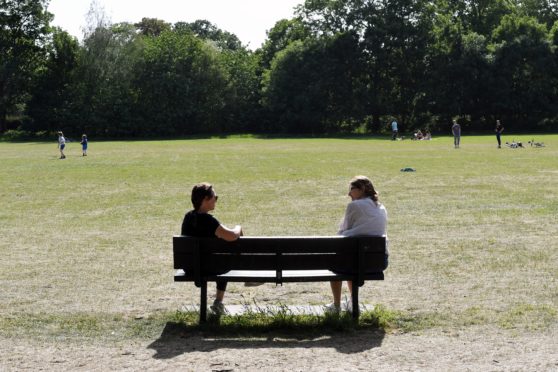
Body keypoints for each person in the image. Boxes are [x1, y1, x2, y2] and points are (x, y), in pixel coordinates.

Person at [327, 175, 389, 312]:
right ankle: (353, 303)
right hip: (377, 262)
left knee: (343, 260)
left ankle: (336, 305)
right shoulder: (381, 208)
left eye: (351, 189)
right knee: (352, 257)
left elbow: (343, 230)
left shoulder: (354, 206)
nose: (349, 193)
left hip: (353, 260)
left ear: (361, 189)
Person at [181, 182, 242, 315]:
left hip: (191, 266)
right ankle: (218, 303)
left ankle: (218, 304)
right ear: (205, 200)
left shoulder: (187, 217)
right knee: (224, 255)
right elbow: (232, 236)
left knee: (219, 256)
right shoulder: (209, 221)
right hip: (211, 265)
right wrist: (239, 228)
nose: (216, 199)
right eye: (215, 197)